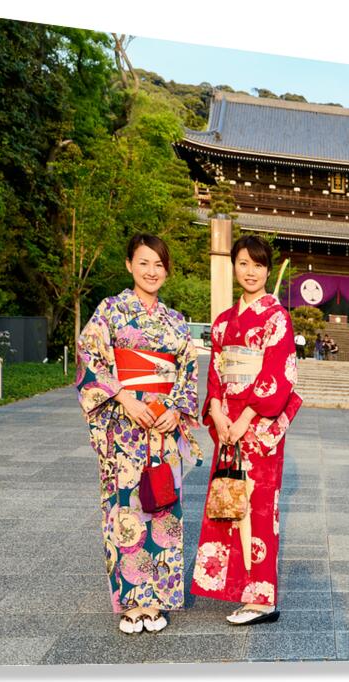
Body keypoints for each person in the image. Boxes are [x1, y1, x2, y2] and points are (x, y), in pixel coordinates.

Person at [76, 233, 202, 635]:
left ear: (167, 271)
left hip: (162, 428)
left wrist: (177, 407)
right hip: (125, 425)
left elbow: (188, 370)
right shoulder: (110, 311)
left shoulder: (176, 321)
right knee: (126, 510)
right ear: (129, 264)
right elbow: (89, 357)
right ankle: (132, 601)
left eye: (159, 264)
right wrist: (122, 397)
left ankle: (157, 598)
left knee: (162, 505)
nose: (152, 271)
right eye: (144, 262)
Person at [192, 235, 302, 626]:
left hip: (259, 425)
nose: (250, 271)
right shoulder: (223, 322)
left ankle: (262, 598)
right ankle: (239, 589)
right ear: (234, 267)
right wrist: (219, 414)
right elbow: (217, 375)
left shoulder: (277, 318)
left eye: (257, 265)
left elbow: (278, 374)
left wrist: (243, 420)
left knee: (258, 507)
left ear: (268, 270)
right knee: (229, 505)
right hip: (229, 426)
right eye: (243, 263)